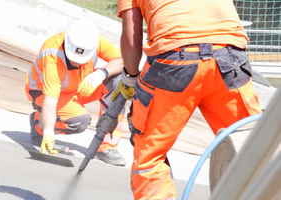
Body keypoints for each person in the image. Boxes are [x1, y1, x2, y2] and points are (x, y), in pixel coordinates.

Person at [111, 0, 263, 199]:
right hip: (229, 59)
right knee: (254, 148)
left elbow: (132, 40)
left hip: (174, 63)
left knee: (150, 158)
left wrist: (130, 79)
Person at [25, 18, 126, 166]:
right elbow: (50, 102)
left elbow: (126, 60)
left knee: (120, 81)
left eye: (81, 59)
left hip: (77, 87)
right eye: (74, 59)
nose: (77, 63)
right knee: (79, 122)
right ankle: (38, 125)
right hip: (44, 93)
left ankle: (106, 146)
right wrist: (48, 132)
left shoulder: (93, 40)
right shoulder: (53, 55)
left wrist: (101, 74)